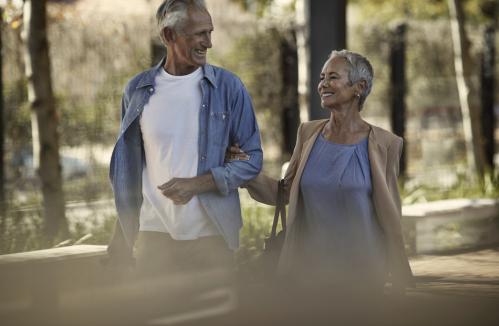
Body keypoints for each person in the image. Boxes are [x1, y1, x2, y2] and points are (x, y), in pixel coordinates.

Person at [237, 49, 414, 295]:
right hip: (308, 274)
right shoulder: (308, 133)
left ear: (359, 86)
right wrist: (244, 169)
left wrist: (399, 277)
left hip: (362, 278)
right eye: (322, 78)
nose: (323, 84)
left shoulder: (386, 144)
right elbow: (284, 192)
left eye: (333, 77)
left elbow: (391, 216)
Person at [106, 0, 262, 278]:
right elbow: (127, 171)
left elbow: (252, 160)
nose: (208, 43)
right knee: (155, 319)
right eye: (199, 34)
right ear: (169, 35)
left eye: (210, 32)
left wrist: (198, 184)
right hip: (153, 237)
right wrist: (121, 238)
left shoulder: (229, 87)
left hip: (212, 237)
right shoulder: (136, 90)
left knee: (214, 320)